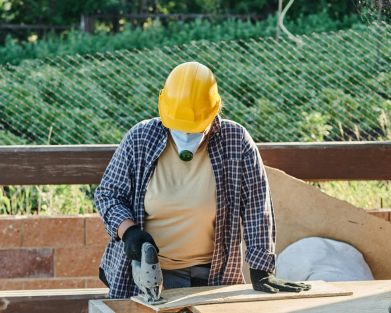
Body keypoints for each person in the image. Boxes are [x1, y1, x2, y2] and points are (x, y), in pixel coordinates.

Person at [95, 62, 310, 299]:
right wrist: (129, 232)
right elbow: (109, 194)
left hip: (212, 275)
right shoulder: (140, 138)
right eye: (179, 127)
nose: (186, 135)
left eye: (195, 128)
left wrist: (261, 268)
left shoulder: (236, 141)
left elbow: (257, 207)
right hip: (145, 274)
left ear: (215, 110)